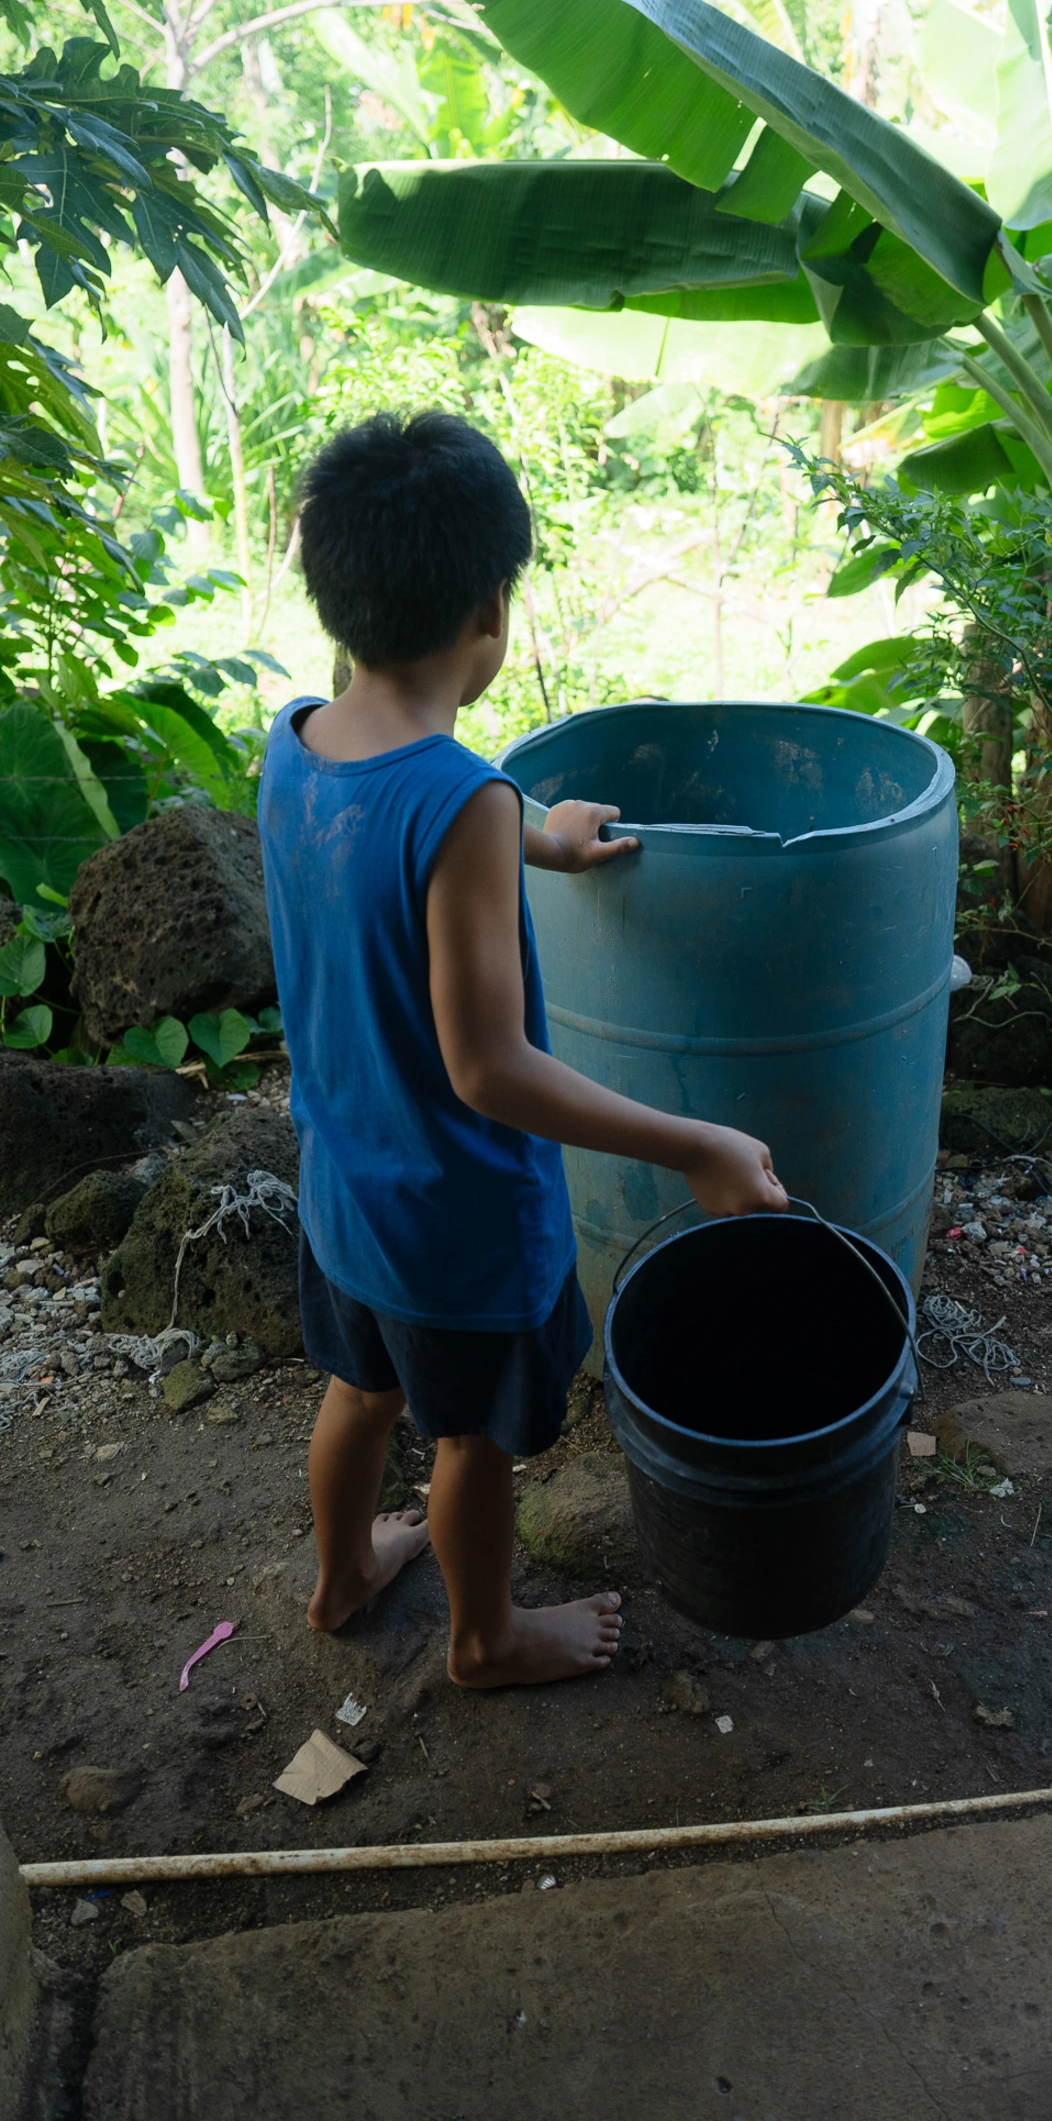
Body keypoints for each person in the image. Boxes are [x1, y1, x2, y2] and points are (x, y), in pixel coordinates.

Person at [258, 410, 786, 1688]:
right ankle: (487, 1637)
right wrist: (697, 1143)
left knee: (361, 1388)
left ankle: (338, 1582)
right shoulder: (466, 805)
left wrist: (536, 834)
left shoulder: (294, 743)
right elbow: (487, 1066)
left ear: (336, 592)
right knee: (470, 1440)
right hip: (458, 1227)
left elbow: (391, 841)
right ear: (491, 610)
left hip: (344, 1187)